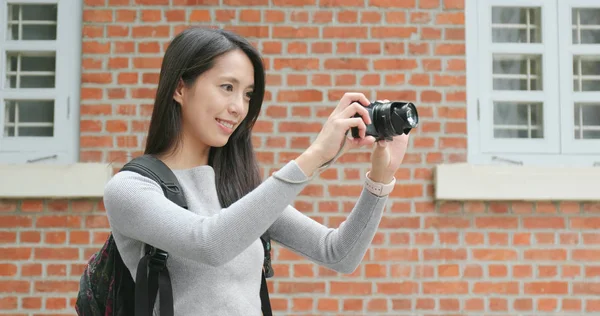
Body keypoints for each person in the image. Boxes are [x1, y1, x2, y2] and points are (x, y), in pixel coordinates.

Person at [103, 26, 410, 316]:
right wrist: (315, 155)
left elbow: (339, 253)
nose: (239, 106)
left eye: (248, 94)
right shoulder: (131, 188)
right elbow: (209, 243)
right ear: (181, 88)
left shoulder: (238, 190)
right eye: (227, 87)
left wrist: (380, 180)